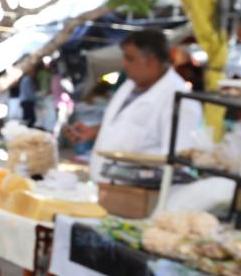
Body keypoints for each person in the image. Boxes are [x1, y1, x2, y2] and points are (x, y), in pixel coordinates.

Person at [67, 29, 203, 181]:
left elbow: (176, 162)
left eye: (129, 58)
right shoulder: (130, 85)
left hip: (137, 190)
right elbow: (129, 126)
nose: (124, 64)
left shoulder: (180, 101)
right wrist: (94, 131)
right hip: (107, 185)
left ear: (151, 60)